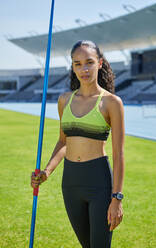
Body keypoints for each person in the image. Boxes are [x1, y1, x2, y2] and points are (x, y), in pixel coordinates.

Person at [31, 40, 125, 248]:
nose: (84, 69)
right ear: (72, 67)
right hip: (71, 183)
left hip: (99, 183)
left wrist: (117, 198)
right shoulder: (65, 100)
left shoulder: (111, 102)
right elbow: (63, 142)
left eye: (89, 62)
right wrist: (46, 171)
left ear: (99, 63)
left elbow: (119, 154)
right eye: (77, 63)